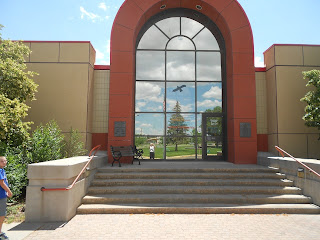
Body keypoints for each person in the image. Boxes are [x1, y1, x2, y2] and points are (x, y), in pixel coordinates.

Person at [0, 156, 12, 240]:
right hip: (1, 195)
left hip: (3, 194)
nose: (5, 162)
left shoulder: (2, 170)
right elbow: (2, 183)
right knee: (2, 214)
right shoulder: (0, 171)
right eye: (2, 161)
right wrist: (9, 191)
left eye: (5, 161)